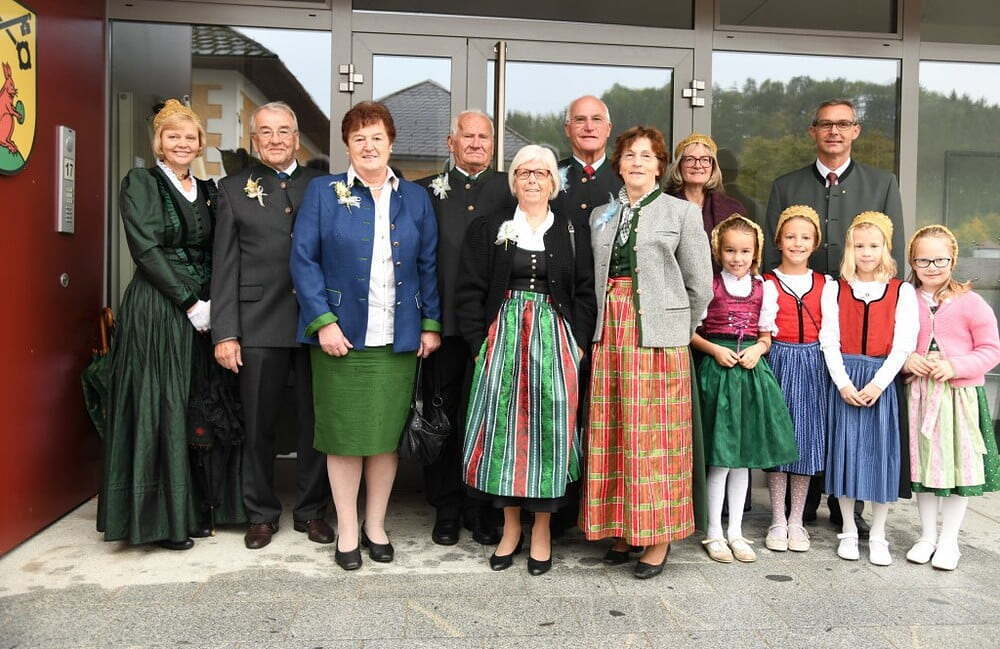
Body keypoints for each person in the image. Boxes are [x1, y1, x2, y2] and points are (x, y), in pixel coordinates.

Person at [290, 101, 442, 570]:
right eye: (359, 138)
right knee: (343, 437)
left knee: (383, 438)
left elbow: (428, 264)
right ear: (347, 146)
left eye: (377, 137)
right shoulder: (323, 191)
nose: (369, 146)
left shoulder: (415, 197)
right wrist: (323, 322)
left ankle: (375, 524)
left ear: (390, 143)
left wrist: (430, 323)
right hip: (341, 338)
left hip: (397, 337)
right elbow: (303, 260)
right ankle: (348, 530)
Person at [98, 99, 245, 549]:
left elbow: (221, 250)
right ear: (158, 143)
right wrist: (188, 302)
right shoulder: (141, 183)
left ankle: (196, 509)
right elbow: (145, 248)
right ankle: (158, 520)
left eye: (189, 137)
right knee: (161, 405)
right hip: (159, 309)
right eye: (172, 136)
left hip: (205, 312)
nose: (182, 143)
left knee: (197, 407)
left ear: (200, 144)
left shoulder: (208, 189)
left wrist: (215, 303)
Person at [764, 98, 905, 532]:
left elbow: (892, 253)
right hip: (803, 316)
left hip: (857, 310)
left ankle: (850, 507)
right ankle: (802, 503)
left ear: (856, 130)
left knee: (848, 411)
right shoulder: (786, 185)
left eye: (843, 124)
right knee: (808, 409)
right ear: (813, 131)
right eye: (825, 124)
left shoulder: (881, 183)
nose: (834, 132)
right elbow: (771, 254)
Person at [456, 144, 596, 576]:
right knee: (505, 433)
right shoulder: (489, 227)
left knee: (551, 432)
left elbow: (586, 291)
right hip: (504, 341)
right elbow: (469, 290)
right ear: (513, 181)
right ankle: (511, 528)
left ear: (554, 183)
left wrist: (578, 343)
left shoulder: (571, 229)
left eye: (541, 173)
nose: (532, 179)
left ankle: (542, 531)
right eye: (524, 172)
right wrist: (479, 343)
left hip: (555, 342)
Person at [581, 126, 713, 579]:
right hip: (610, 334)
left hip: (659, 339)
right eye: (629, 155)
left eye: (647, 156)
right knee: (614, 432)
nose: (637, 162)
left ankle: (658, 537)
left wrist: (678, 329)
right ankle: (623, 528)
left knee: (656, 441)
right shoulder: (601, 215)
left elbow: (700, 286)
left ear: (660, 166)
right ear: (618, 164)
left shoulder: (682, 213)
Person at [211, 101, 332, 550]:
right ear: (254, 139)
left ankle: (311, 511)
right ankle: (260, 513)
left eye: (284, 131)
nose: (276, 139)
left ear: (297, 138)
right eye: (266, 131)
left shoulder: (323, 186)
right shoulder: (232, 188)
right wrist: (226, 332)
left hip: (316, 323)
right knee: (258, 425)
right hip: (258, 323)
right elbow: (223, 265)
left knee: (315, 424)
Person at [416, 110, 514, 547]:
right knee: (443, 418)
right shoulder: (425, 192)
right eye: (467, 136)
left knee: (490, 418)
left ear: (493, 144)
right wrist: (426, 321)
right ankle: (447, 507)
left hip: (494, 327)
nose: (476, 143)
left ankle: (484, 507)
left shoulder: (510, 188)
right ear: (450, 142)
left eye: (483, 137)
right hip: (442, 326)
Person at [691, 215, 798, 564]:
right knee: (721, 458)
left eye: (745, 251)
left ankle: (736, 531)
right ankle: (713, 531)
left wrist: (758, 350)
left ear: (756, 253)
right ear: (718, 251)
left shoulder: (764, 289)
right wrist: (714, 350)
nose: (737, 258)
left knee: (742, 461)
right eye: (730, 251)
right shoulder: (710, 286)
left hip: (750, 375)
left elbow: (766, 336)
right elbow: (690, 332)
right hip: (718, 374)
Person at [821, 212, 917, 566]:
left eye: (874, 246)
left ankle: (878, 533)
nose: (866, 252)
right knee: (846, 454)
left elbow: (903, 344)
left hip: (881, 379)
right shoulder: (835, 288)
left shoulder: (901, 291)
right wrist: (843, 383)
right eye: (859, 246)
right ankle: (848, 529)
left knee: (881, 457)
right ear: (849, 249)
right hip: (846, 378)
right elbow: (828, 339)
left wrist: (879, 383)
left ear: (885, 248)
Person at [903, 225, 1000, 570]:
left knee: (958, 469)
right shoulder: (905, 300)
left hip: (959, 398)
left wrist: (955, 366)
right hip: (919, 394)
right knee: (925, 467)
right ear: (913, 262)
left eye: (940, 260)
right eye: (923, 260)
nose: (932, 267)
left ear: (953, 259)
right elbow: (892, 342)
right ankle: (927, 536)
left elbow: (990, 350)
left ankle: (949, 541)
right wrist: (907, 360)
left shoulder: (971, 302)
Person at [762, 206, 832, 553]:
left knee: (805, 440)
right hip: (779, 358)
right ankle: (777, 517)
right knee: (779, 438)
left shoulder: (826, 284)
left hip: (814, 363)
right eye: (790, 236)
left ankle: (796, 519)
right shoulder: (767, 282)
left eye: (805, 237)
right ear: (778, 240)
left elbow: (831, 329)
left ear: (815, 243)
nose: (797, 243)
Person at [553, 95, 623, 229]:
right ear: (567, 129)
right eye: (580, 120)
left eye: (596, 119)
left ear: (608, 129)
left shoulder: (626, 177)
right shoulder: (548, 176)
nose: (589, 127)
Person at [665, 133, 748, 238]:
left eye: (705, 160)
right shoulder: (663, 207)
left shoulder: (733, 210)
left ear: (713, 167)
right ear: (679, 166)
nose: (697, 165)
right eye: (690, 159)